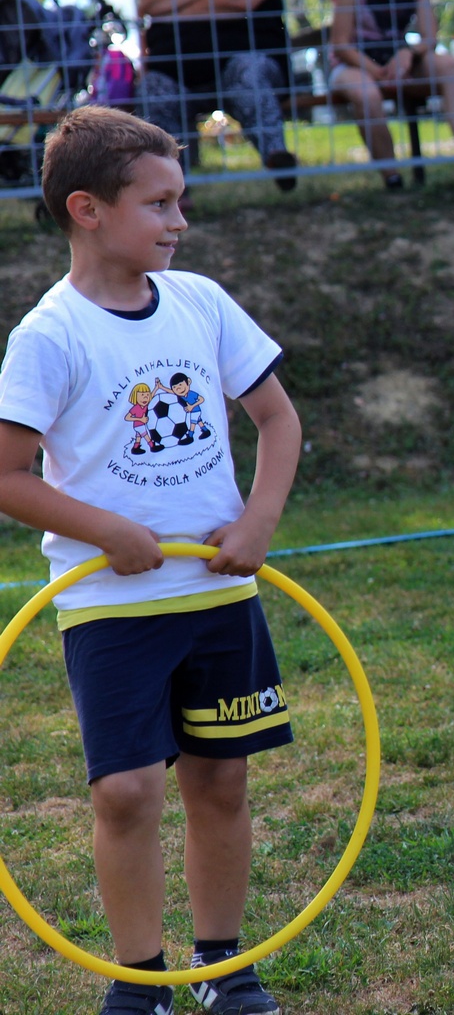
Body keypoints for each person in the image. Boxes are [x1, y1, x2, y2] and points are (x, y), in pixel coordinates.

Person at [0, 106, 303, 1015]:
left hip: (216, 593)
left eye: (181, 201)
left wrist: (258, 520)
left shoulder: (201, 303)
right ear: (87, 209)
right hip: (112, 607)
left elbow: (278, 419)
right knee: (126, 792)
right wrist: (105, 530)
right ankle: (140, 982)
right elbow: (7, 474)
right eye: (160, 203)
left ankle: (223, 967)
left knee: (221, 779)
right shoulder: (50, 336)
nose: (180, 221)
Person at [135, 0, 298, 200]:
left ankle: (277, 157)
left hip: (240, 67)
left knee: (248, 73)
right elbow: (148, 3)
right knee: (153, 89)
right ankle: (171, 189)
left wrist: (177, 2)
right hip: (178, 74)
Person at [330, 0, 454, 190]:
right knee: (366, 95)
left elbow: (429, 37)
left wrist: (408, 53)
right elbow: (341, 45)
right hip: (354, 64)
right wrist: (377, 71)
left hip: (398, 58)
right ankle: (392, 178)